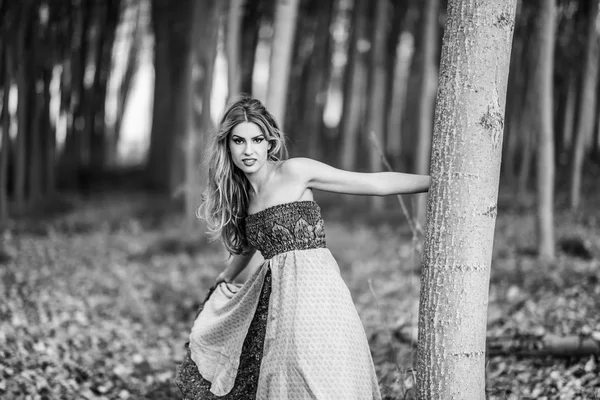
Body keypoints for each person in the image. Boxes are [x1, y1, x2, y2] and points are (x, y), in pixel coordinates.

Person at [175, 95, 430, 399]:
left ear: (270, 142)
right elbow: (246, 247)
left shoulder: (294, 171)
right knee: (286, 377)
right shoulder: (242, 197)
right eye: (239, 141)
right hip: (279, 301)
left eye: (257, 139)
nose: (248, 150)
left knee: (326, 374)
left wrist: (437, 180)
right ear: (227, 146)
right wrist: (226, 276)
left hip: (318, 292)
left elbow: (375, 185)